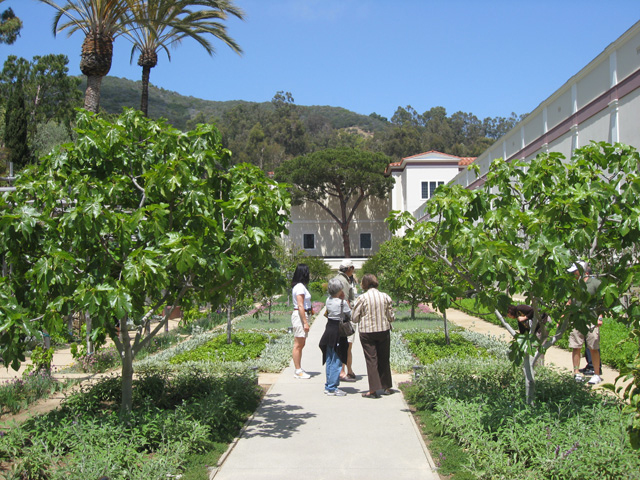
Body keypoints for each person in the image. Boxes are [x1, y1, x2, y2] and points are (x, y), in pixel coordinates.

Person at [351, 273, 395, 398]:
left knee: (371, 360)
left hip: (367, 332)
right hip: (383, 330)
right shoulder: (385, 297)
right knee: (384, 358)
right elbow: (391, 316)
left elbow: (354, 317)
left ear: (365, 284)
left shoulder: (362, 298)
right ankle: (386, 386)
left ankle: (373, 390)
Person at [566, 261, 603, 385]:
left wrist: (600, 317)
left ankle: (596, 374)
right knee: (576, 346)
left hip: (591, 320)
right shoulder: (574, 284)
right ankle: (576, 372)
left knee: (593, 347)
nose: (573, 274)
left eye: (575, 271)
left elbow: (602, 302)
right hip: (577, 320)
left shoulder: (595, 283)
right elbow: (571, 300)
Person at [319, 278, 350, 396]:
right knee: (337, 360)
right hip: (338, 332)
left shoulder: (328, 300)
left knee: (329, 359)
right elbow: (349, 315)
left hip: (329, 329)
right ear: (339, 290)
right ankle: (333, 387)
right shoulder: (342, 303)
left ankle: (328, 385)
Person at [332, 259, 357, 382]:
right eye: (352, 268)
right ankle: (343, 371)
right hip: (345, 318)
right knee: (347, 345)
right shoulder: (344, 281)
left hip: (338, 317)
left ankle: (349, 370)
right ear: (349, 268)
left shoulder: (339, 278)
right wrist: (351, 315)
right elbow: (345, 299)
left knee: (346, 345)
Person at [291, 264, 312, 379]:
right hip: (300, 317)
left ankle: (298, 367)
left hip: (303, 315)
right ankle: (298, 370)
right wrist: (305, 322)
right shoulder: (299, 287)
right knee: (298, 344)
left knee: (301, 343)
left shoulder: (300, 286)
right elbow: (300, 305)